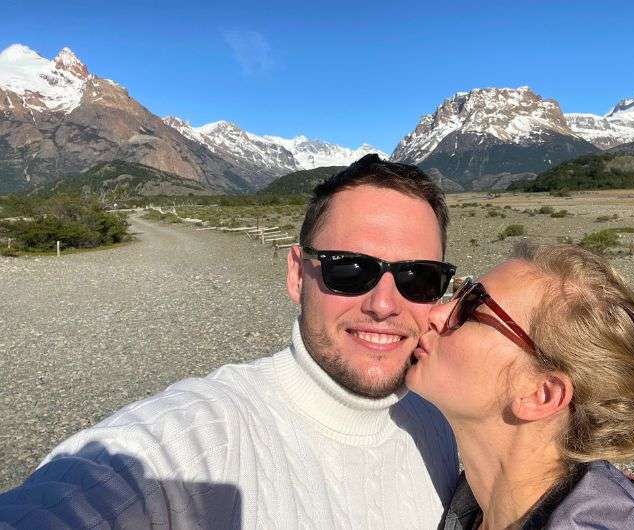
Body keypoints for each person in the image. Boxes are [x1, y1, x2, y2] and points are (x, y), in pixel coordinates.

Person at [0, 154, 461, 529]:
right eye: (350, 270)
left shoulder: (441, 424)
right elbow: (81, 497)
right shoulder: (204, 439)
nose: (384, 304)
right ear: (297, 275)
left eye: (418, 277)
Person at [406, 242, 634, 529]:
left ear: (541, 393)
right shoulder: (472, 508)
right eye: (460, 293)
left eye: (472, 308)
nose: (435, 313)